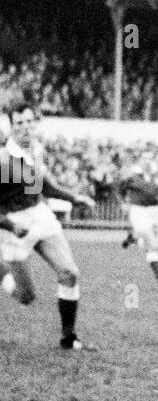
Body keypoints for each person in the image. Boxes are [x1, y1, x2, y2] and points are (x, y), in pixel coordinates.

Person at [0, 106, 95, 350]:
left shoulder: (36, 149)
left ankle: (68, 337)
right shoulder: (2, 160)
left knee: (70, 273)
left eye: (29, 122)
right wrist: (11, 226)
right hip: (13, 224)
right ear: (11, 125)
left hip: (40, 217)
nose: (25, 127)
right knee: (26, 297)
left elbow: (42, 186)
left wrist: (74, 198)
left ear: (36, 123)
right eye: (19, 123)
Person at [119, 161, 158, 291]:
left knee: (148, 240)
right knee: (151, 243)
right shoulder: (133, 177)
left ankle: (133, 237)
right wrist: (123, 202)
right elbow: (120, 189)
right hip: (138, 209)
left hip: (154, 211)